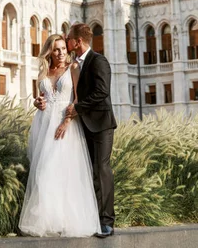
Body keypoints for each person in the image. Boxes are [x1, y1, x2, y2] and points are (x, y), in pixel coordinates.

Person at [18, 34, 101, 238]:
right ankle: (48, 220)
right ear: (50, 52)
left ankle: (65, 220)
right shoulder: (44, 72)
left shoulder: (73, 69)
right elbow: (41, 99)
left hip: (66, 125)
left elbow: (78, 97)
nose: (61, 53)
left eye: (64, 48)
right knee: (44, 170)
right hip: (45, 122)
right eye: (57, 49)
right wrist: (38, 103)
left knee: (63, 172)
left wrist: (67, 121)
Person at [65, 23, 117, 238]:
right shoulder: (73, 64)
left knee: (101, 170)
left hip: (101, 124)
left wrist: (78, 108)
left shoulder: (99, 61)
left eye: (69, 38)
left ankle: (107, 222)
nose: (66, 41)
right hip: (84, 125)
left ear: (77, 41)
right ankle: (92, 218)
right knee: (88, 172)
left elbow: (102, 92)